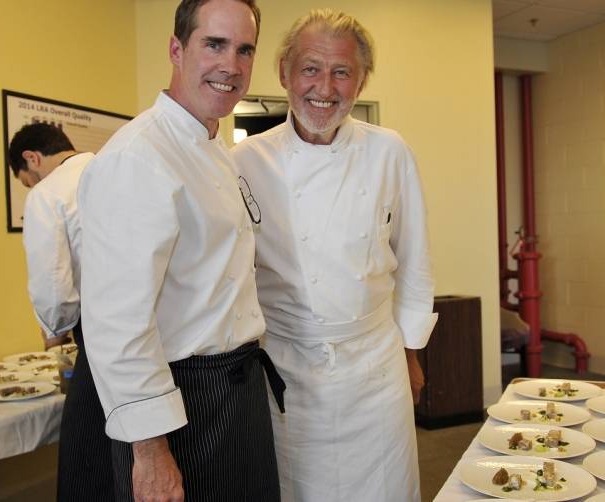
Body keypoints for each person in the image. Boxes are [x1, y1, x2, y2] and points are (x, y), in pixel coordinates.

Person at [77, 1, 282, 501]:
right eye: (214, 44)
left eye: (244, 49)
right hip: (180, 406)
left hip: (237, 391)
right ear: (176, 48)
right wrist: (149, 452)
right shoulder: (138, 157)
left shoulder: (216, 150)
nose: (231, 65)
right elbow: (118, 323)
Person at [231, 8, 438, 502]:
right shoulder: (243, 162)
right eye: (311, 68)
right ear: (284, 72)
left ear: (361, 80)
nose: (325, 86)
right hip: (286, 366)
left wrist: (411, 356)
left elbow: (415, 260)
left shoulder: (389, 151)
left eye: (342, 71)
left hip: (375, 367)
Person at [8, 122, 114, 501]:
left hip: (101, 333)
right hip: (162, 328)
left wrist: (55, 331)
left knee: (85, 453)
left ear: (31, 158)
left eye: (27, 180)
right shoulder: (115, 168)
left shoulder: (48, 193)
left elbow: (52, 280)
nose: (31, 186)